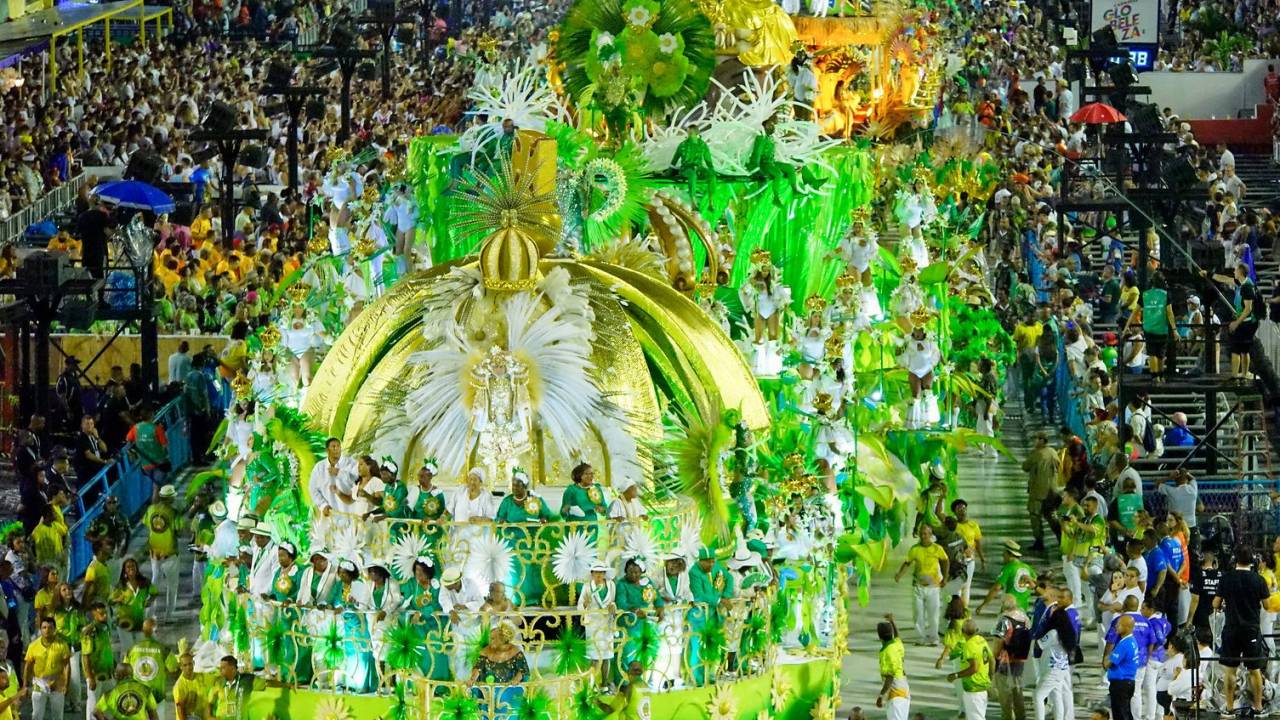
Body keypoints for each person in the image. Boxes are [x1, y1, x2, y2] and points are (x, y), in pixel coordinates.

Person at [1215, 544, 1269, 715]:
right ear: (1252, 560)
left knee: (1230, 670)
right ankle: (1258, 707)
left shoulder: (1226, 578)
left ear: (1234, 559)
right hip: (1251, 630)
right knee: (1255, 670)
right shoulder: (1258, 579)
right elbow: (1266, 605)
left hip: (1231, 629)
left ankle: (1229, 708)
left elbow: (1215, 603)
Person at [894, 525, 949, 645]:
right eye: (922, 533)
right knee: (918, 614)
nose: (923, 536)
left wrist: (945, 578)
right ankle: (920, 638)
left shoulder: (937, 549)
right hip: (918, 587)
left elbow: (945, 561)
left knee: (933, 614)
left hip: (933, 588)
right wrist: (899, 574)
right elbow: (907, 563)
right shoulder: (915, 549)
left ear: (930, 535)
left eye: (926, 534)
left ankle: (934, 638)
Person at [1032, 593, 1076, 720]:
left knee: (1038, 696)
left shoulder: (1053, 633)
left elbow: (1039, 645)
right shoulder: (1066, 633)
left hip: (1051, 669)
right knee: (1057, 696)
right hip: (1061, 668)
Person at [143, 485, 181, 619]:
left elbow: (148, 525)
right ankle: (169, 616)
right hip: (170, 554)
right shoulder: (174, 512)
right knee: (172, 585)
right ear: (171, 498)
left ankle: (149, 615)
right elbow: (179, 531)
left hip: (155, 554)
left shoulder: (151, 509)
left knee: (154, 584)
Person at [991, 596, 1029, 720]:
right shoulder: (1024, 617)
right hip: (1020, 660)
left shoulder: (1004, 620)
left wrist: (994, 659)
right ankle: (1021, 717)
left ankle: (1007, 717)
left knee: (1005, 695)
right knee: (1018, 692)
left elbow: (998, 643)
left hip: (1005, 661)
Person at [25, 616, 70, 720]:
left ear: (54, 629)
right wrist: (25, 685)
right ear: (40, 629)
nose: (47, 630)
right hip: (38, 683)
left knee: (58, 716)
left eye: (50, 628)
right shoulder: (33, 646)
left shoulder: (62, 645)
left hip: (57, 683)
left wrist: (66, 685)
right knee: (36, 715)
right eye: (44, 627)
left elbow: (67, 665)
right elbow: (27, 666)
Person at [946, 619, 992, 720]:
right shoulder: (982, 640)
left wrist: (956, 675)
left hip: (973, 688)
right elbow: (992, 660)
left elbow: (974, 668)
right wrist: (990, 680)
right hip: (983, 687)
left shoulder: (969, 646)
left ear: (963, 632)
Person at [976, 541, 1038, 615]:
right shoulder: (1027, 567)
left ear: (1010, 554)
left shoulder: (1008, 568)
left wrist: (983, 605)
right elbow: (1036, 583)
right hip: (1024, 609)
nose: (1003, 555)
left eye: (1004, 553)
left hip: (1009, 609)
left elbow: (996, 588)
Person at [1022, 432, 1058, 551]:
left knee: (1035, 517)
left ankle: (1039, 541)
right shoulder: (1053, 452)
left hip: (1038, 492)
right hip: (1052, 491)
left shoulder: (1036, 454)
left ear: (1042, 440)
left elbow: (1025, 467)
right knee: (1051, 516)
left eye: (1036, 439)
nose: (1034, 442)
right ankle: (1061, 536)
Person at [1106, 614, 1141, 720]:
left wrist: (1107, 655)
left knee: (1120, 715)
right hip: (1128, 682)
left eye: (1119, 624)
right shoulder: (1132, 641)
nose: (1116, 626)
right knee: (1126, 713)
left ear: (1127, 627)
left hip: (1121, 685)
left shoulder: (1124, 644)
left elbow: (1108, 663)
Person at [876, 615, 910, 720]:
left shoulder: (886, 653)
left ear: (879, 636)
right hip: (903, 688)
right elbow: (897, 636)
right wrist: (892, 622)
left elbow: (890, 677)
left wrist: (881, 696)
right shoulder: (896, 644)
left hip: (896, 694)